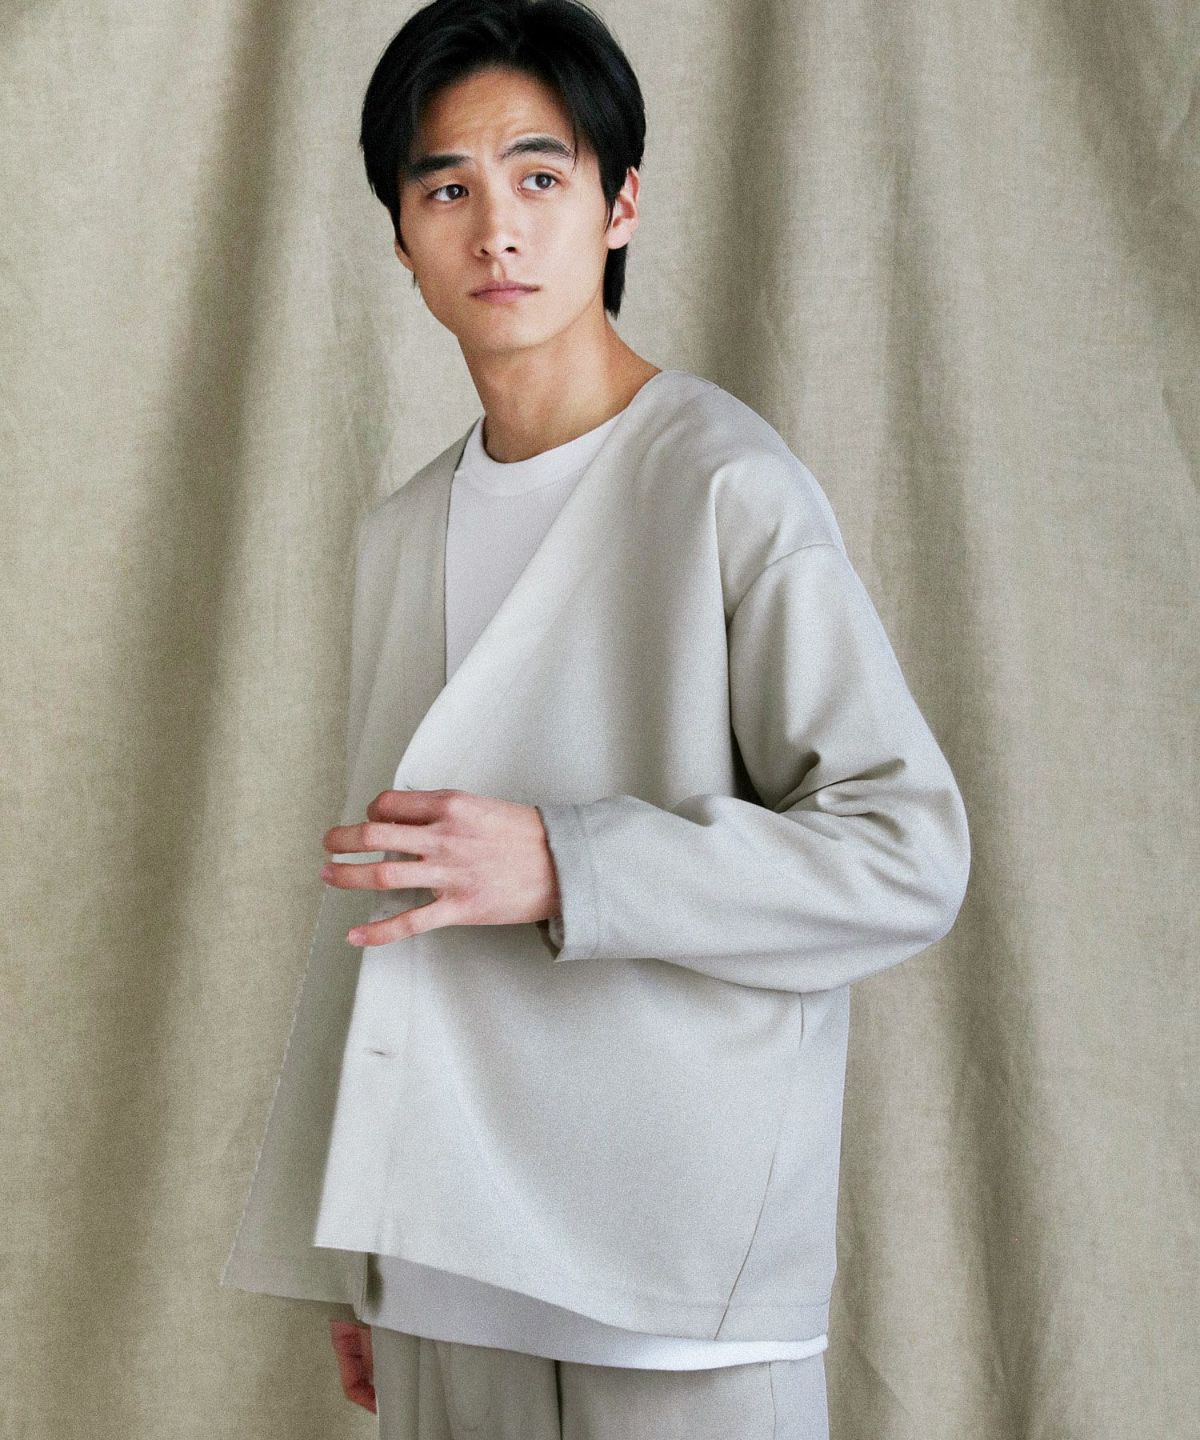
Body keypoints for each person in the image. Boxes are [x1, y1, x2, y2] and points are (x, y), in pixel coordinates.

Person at [219, 2, 971, 1436]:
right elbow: (381, 905)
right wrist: (357, 1254)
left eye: (539, 176)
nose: (496, 229)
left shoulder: (728, 486)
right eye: (446, 187)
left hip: (673, 1297)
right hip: (443, 1278)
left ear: (621, 204)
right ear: (401, 238)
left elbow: (906, 853)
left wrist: (570, 862)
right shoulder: (400, 534)